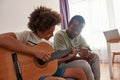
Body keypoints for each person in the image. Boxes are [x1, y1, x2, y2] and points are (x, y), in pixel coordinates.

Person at [0, 6, 87, 80]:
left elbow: (51, 64)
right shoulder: (27, 35)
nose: (52, 35)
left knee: (80, 72)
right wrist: (34, 51)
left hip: (42, 71)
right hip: (29, 74)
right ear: (39, 29)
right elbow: (2, 39)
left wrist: (67, 58)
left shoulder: (48, 45)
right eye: (49, 32)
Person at [54, 15, 100, 80]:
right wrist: (83, 58)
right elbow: (65, 58)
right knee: (84, 64)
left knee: (95, 56)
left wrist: (87, 52)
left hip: (71, 60)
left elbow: (87, 48)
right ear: (69, 24)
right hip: (62, 63)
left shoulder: (79, 36)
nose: (76, 32)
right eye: (74, 27)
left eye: (79, 30)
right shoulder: (60, 35)